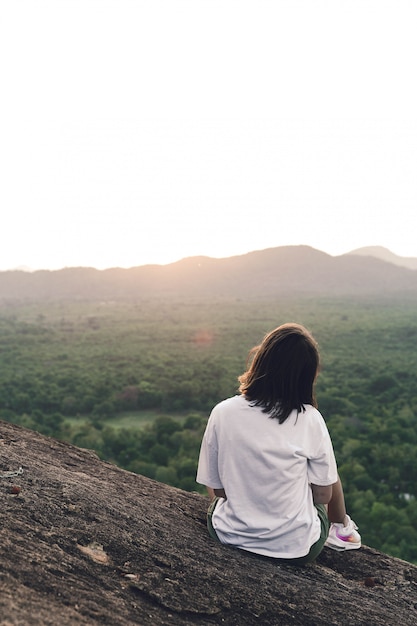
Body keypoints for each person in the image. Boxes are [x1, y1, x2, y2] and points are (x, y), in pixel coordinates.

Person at [196, 323, 361, 564]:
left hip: (228, 535)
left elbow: (218, 490)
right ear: (307, 376)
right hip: (299, 549)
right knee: (329, 473)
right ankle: (341, 529)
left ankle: (243, 519)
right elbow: (322, 494)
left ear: (260, 361)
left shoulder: (223, 411)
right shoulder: (310, 419)